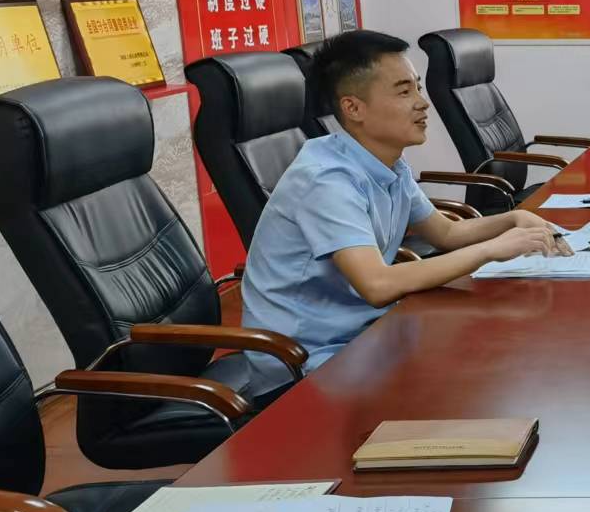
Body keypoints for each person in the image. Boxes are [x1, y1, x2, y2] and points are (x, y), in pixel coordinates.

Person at [242, 29, 568, 385]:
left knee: (498, 353)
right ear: (353, 108)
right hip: (306, 361)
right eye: (403, 91)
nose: (422, 103)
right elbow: (377, 285)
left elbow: (446, 232)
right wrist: (492, 249)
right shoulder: (325, 180)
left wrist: (514, 219)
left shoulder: (387, 163)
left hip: (364, 334)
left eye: (418, 88)